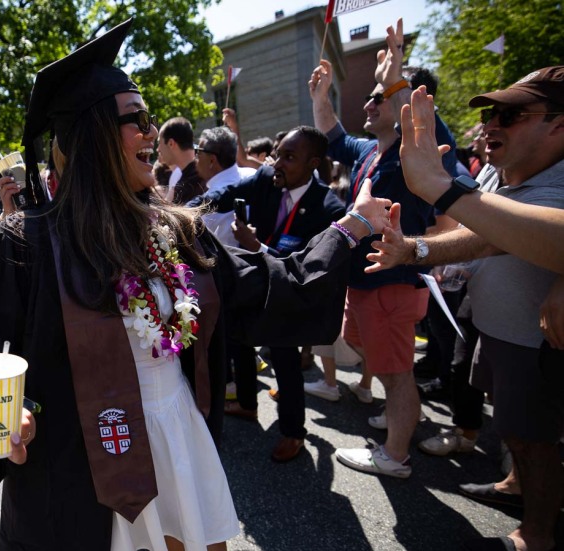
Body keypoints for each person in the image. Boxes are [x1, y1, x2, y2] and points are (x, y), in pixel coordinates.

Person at [0, 19, 394, 551]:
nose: (153, 132)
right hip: (79, 462)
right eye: (137, 119)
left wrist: (352, 225)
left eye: (149, 118)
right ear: (92, 136)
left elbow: (268, 289)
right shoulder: (28, 245)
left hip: (177, 438)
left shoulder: (174, 231)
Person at [367, 68, 564, 551]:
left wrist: (444, 189)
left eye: (512, 114)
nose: (491, 125)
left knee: (536, 441)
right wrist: (416, 251)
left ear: (559, 124)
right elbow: (491, 231)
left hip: (535, 347)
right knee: (516, 433)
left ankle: (537, 535)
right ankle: (517, 485)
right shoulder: (506, 169)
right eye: (491, 113)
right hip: (500, 333)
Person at [310, 19, 458, 478]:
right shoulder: (369, 150)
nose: (369, 103)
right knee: (362, 347)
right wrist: (320, 96)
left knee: (396, 374)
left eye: (380, 98)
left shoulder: (424, 146)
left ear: (405, 107)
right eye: (370, 97)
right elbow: (333, 133)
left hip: (394, 280)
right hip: (364, 280)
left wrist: (393, 78)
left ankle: (396, 455)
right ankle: (399, 416)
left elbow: (410, 110)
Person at [191, 125, 347, 462]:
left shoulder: (330, 209)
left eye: (289, 157)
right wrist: (183, 214)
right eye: (278, 153)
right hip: (255, 287)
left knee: (284, 362)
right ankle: (247, 403)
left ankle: (293, 432)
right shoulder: (265, 179)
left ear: (312, 163)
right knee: (238, 341)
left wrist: (256, 246)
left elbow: (311, 268)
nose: (277, 163)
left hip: (291, 295)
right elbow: (223, 195)